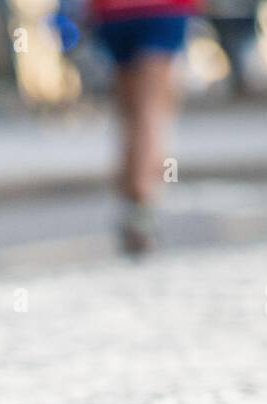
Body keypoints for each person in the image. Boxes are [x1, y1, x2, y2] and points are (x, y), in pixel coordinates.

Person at [86, 0, 200, 254]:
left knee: (130, 114)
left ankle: (131, 205)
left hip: (112, 12)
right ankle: (141, 205)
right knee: (152, 109)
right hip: (160, 9)